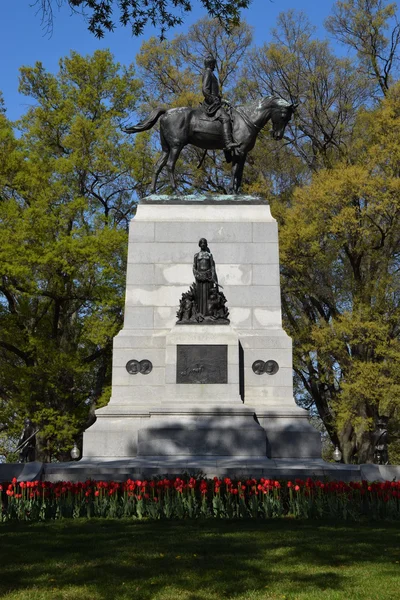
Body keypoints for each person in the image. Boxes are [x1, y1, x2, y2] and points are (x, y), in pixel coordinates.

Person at [202, 54, 238, 152]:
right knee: (225, 118)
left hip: (216, 102)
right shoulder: (208, 73)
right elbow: (205, 90)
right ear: (210, 64)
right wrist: (214, 99)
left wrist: (222, 100)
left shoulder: (211, 73)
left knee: (230, 116)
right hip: (211, 104)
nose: (214, 66)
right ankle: (228, 143)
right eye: (213, 64)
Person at [193, 238, 218, 317]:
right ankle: (200, 313)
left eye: (204, 243)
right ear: (199, 244)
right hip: (200, 278)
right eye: (202, 243)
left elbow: (212, 267)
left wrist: (213, 276)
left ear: (206, 244)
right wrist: (197, 275)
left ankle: (208, 314)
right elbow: (194, 267)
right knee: (200, 296)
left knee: (208, 295)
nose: (203, 244)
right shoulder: (196, 255)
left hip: (208, 278)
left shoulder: (209, 255)